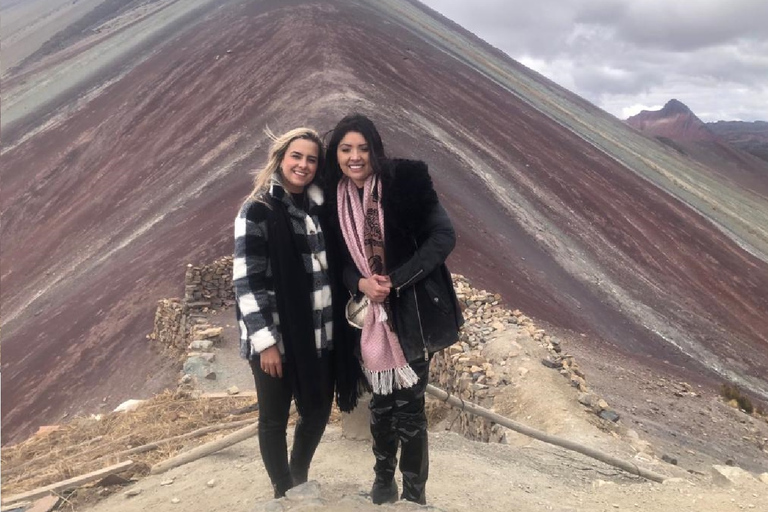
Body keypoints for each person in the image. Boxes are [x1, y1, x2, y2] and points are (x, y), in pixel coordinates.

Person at [324, 114, 464, 505]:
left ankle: (414, 494)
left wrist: (396, 280)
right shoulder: (333, 200)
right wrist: (361, 284)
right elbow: (337, 260)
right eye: (346, 149)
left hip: (412, 313)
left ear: (376, 149)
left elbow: (443, 235)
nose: (356, 157)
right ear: (335, 153)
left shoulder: (405, 183)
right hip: (369, 318)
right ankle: (383, 478)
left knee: (410, 408)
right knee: (380, 404)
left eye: (364, 148)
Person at [233, 127, 361, 498]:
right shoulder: (257, 210)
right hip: (273, 336)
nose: (303, 165)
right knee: (273, 418)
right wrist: (266, 343)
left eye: (311, 159)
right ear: (280, 158)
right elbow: (247, 282)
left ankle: (298, 474)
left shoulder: (319, 211)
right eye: (296, 156)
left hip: (320, 335)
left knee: (318, 410)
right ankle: (281, 490)